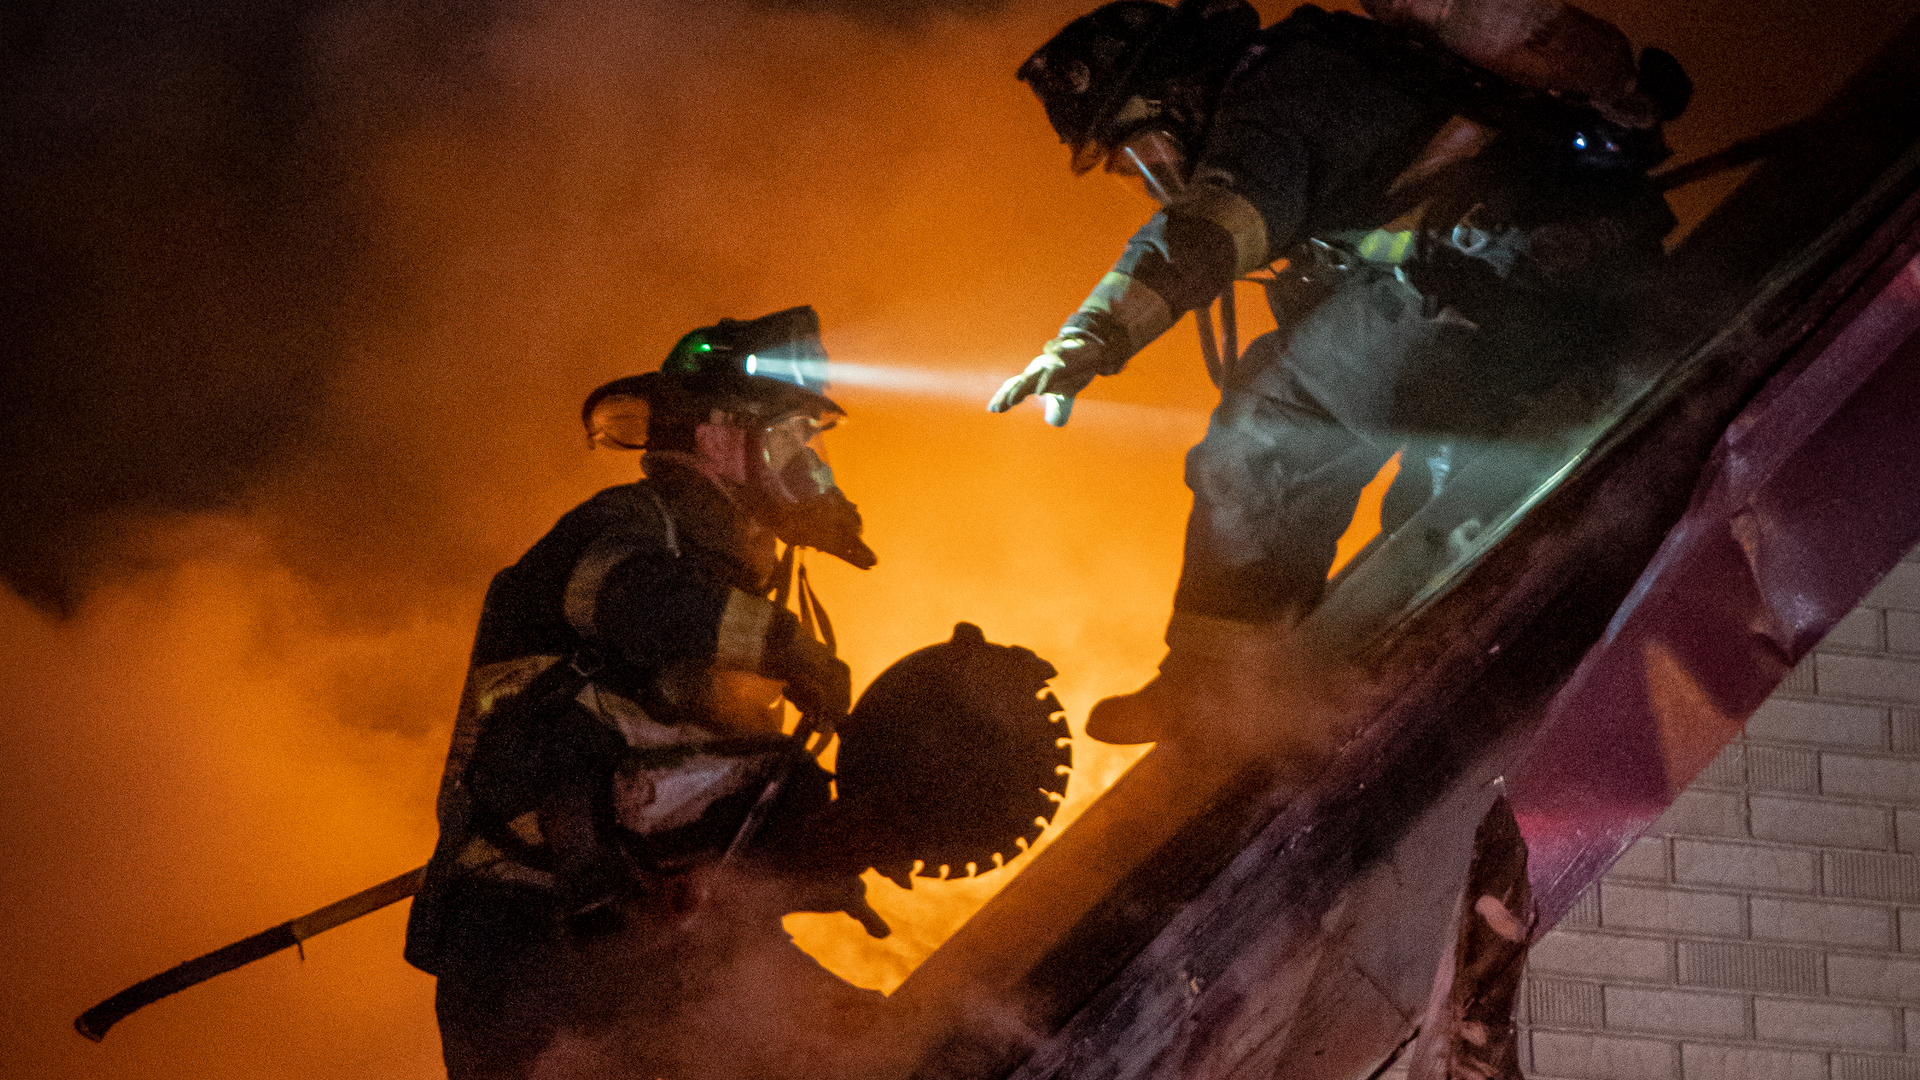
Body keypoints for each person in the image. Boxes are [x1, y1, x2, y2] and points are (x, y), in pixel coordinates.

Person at [988, 0, 1687, 749]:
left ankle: (1218, 684)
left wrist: (1093, 335)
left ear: (1177, 94)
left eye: (1142, 154)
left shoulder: (1279, 96)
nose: (1153, 180)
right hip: (1512, 290)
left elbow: (1220, 218)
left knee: (1273, 421)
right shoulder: (1317, 71)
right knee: (1420, 512)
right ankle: (1348, 650)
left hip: (1491, 284)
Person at [405, 306, 889, 1079]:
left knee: (892, 1047)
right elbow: (638, 599)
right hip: (529, 954)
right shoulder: (624, 529)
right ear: (717, 437)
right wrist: (784, 645)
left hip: (658, 946)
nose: (810, 460)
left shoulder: (739, 574)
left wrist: (840, 835)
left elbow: (712, 772)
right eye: (793, 436)